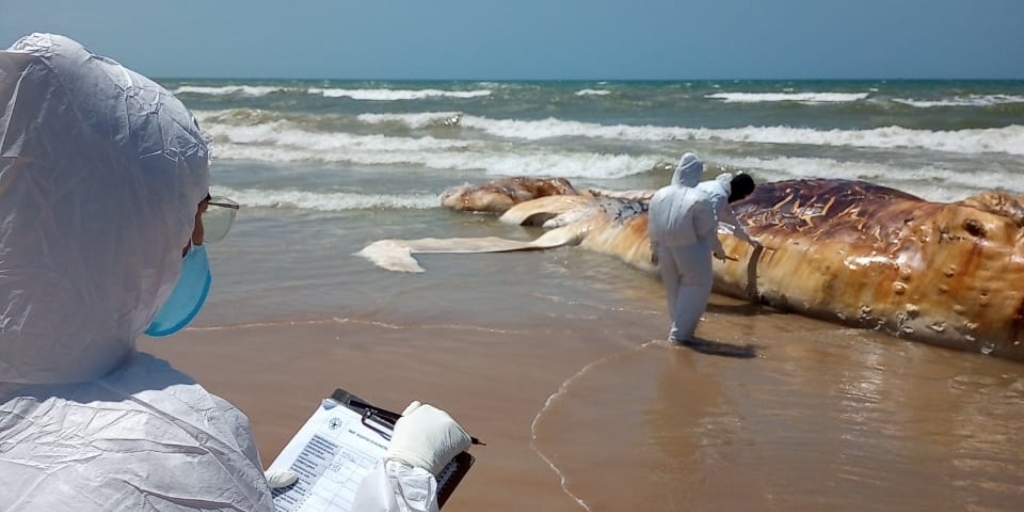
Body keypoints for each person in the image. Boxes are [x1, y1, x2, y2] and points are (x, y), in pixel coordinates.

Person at [0, 33, 468, 512]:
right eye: (191, 212)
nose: (198, 238)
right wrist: (406, 480)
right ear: (132, 225)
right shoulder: (169, 446)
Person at [647, 152, 728, 344]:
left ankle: (678, 326)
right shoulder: (699, 197)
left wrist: (654, 249)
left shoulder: (659, 194)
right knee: (696, 287)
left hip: (665, 249)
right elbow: (707, 230)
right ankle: (679, 335)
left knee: (673, 289)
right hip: (691, 249)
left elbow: (653, 226)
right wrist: (718, 249)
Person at [696, 172, 760, 246]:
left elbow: (732, 221)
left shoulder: (716, 186)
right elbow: (707, 224)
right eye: (744, 195)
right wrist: (717, 248)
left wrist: (748, 238)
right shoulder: (720, 197)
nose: (742, 198)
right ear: (739, 191)